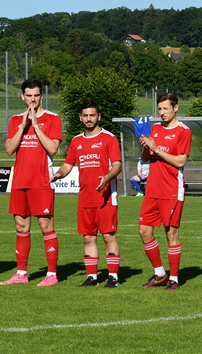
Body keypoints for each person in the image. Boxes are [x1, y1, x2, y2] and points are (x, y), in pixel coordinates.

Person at [51, 101, 122, 288]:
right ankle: (92, 277)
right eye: (85, 116)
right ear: (80, 118)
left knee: (108, 236)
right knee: (88, 237)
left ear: (98, 116)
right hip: (85, 198)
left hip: (106, 197)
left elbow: (117, 165)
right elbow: (68, 164)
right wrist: (59, 174)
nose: (89, 119)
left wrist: (106, 178)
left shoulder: (109, 138)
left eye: (92, 115)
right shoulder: (76, 141)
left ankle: (113, 277)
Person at [0, 78, 62, 287]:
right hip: (19, 181)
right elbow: (9, 149)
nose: (33, 99)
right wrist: (23, 125)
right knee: (21, 226)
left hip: (41, 180)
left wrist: (35, 125)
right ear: (23, 96)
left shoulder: (53, 118)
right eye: (29, 96)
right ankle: (21, 274)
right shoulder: (16, 119)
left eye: (36, 95)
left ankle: (52, 275)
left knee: (46, 225)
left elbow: (52, 149)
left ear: (41, 96)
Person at [138, 93, 191, 290]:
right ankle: (160, 273)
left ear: (175, 108)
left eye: (166, 108)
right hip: (152, 189)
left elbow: (181, 161)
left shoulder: (184, 131)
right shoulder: (156, 129)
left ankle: (174, 279)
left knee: (171, 234)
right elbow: (146, 157)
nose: (162, 113)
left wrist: (157, 149)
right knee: (144, 231)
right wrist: (145, 147)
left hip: (171, 190)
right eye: (160, 109)